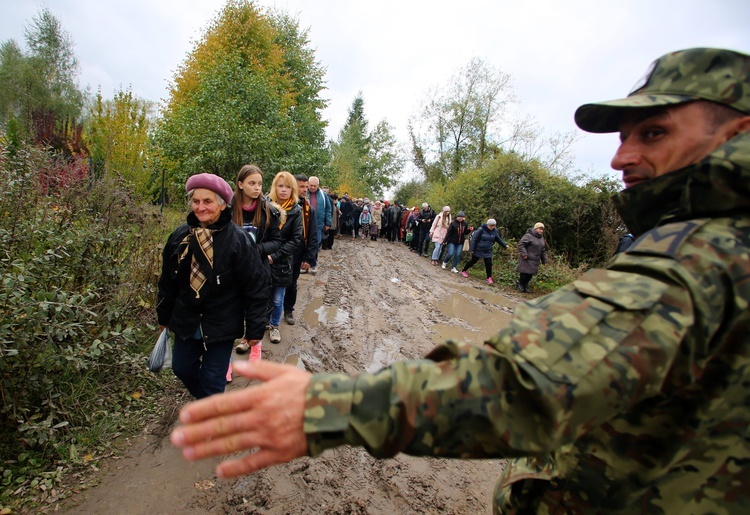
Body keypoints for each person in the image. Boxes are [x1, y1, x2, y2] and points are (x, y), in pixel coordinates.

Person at [170, 48, 750, 513]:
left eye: (653, 133)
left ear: (735, 133)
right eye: (624, 135)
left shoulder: (704, 258)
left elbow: (526, 385)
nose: (620, 157)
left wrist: (328, 406)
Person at [156, 173, 268, 399]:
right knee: (182, 368)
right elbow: (168, 281)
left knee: (213, 377)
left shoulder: (238, 240)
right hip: (186, 318)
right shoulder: (180, 237)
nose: (200, 207)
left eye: (207, 201)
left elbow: (256, 285)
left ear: (222, 204)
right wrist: (163, 316)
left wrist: (255, 328)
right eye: (196, 201)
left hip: (222, 322)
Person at [230, 165, 282, 365]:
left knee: (256, 310)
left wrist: (259, 249)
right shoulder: (227, 209)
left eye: (260, 184)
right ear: (240, 184)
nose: (257, 188)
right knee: (230, 313)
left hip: (257, 271)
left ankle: (256, 347)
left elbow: (277, 241)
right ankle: (225, 359)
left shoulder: (268, 210)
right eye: (252, 183)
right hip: (232, 271)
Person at [265, 171, 303, 344]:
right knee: (262, 295)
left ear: (292, 189)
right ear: (274, 187)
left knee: (278, 298)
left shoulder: (296, 211)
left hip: (283, 261)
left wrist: (276, 255)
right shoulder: (265, 206)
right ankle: (261, 324)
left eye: (288, 187)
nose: (283, 190)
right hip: (264, 258)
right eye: (280, 186)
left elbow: (296, 239)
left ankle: (274, 326)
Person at [281, 174, 318, 326]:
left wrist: (309, 258)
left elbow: (313, 235)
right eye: (301, 186)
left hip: (297, 252)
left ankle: (288, 310)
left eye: (306, 187)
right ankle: (269, 313)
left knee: (292, 283)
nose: (305, 190)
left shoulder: (308, 209)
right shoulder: (279, 205)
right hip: (279, 251)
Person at [459, 218, 508, 284]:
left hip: (488, 250)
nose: (492, 227)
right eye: (491, 225)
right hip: (478, 249)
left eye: (493, 226)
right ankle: (463, 270)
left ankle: (489, 277)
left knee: (488, 263)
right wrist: (472, 249)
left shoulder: (495, 231)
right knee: (473, 261)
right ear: (488, 225)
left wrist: (505, 245)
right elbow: (474, 239)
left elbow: (498, 239)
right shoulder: (481, 229)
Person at [515, 222, 548, 292]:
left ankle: (525, 286)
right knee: (525, 273)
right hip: (527, 258)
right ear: (535, 228)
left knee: (530, 274)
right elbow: (521, 245)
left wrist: (544, 261)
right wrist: (524, 254)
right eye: (539, 229)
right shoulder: (528, 236)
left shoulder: (541, 238)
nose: (541, 231)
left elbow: (543, 250)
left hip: (535, 259)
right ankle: (520, 284)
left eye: (542, 229)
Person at [307, 176, 332, 262]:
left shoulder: (323, 195)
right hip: (305, 223)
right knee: (305, 244)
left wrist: (328, 223)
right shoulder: (303, 193)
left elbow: (328, 209)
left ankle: (313, 263)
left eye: (314, 185)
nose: (312, 187)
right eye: (311, 185)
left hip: (318, 223)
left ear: (318, 185)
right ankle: (305, 264)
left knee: (316, 244)